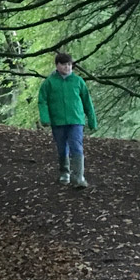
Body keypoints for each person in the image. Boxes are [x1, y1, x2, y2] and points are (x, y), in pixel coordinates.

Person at [38, 53, 97, 188]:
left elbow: (87, 102)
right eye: (64, 64)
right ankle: (65, 172)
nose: (67, 67)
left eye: (70, 64)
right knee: (61, 146)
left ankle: (79, 177)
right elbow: (42, 101)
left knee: (76, 145)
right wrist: (45, 118)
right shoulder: (49, 83)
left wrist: (92, 120)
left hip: (76, 119)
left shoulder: (78, 81)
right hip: (57, 120)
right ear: (57, 65)